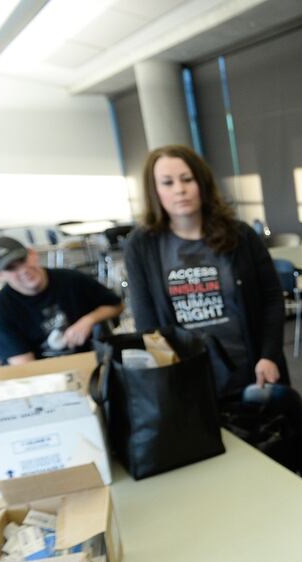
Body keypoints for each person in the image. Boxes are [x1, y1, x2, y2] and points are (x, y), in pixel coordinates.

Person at [123, 144, 287, 396]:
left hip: (252, 369)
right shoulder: (141, 246)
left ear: (201, 182)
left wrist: (269, 356)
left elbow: (272, 299)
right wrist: (169, 374)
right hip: (187, 377)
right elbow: (146, 321)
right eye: (167, 183)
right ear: (155, 191)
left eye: (187, 179)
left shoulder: (241, 236)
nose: (180, 189)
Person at [0, 236, 123, 365]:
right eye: (11, 268)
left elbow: (116, 305)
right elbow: (25, 366)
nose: (23, 270)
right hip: (43, 376)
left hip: (89, 362)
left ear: (32, 254)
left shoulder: (71, 279)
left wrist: (89, 320)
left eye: (23, 260)